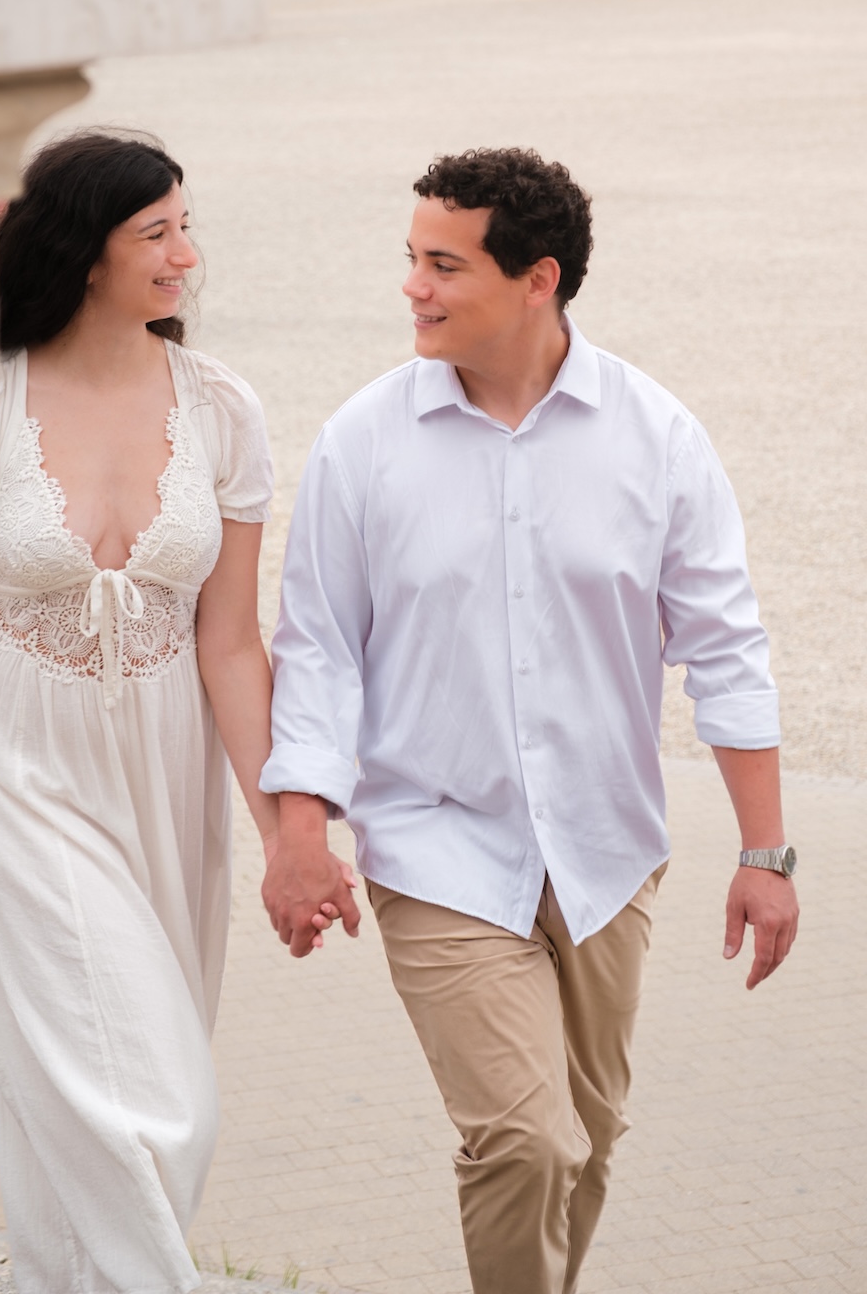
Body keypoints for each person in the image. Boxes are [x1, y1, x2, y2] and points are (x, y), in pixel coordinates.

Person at [259, 147, 799, 1294]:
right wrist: (299, 831)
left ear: (536, 278)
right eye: (411, 258)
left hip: (606, 853)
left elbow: (725, 648)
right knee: (524, 1139)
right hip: (436, 846)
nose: (412, 286)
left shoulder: (656, 438)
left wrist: (764, 853)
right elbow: (316, 653)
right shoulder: (363, 443)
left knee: (588, 1142)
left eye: (443, 265)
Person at [0, 131, 343, 1294]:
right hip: (15, 768)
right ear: (85, 253)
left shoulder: (224, 409)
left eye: (186, 224)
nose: (188, 253)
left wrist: (289, 829)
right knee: (146, 1100)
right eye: (157, 232)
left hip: (169, 778)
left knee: (106, 1086)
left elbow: (229, 644)